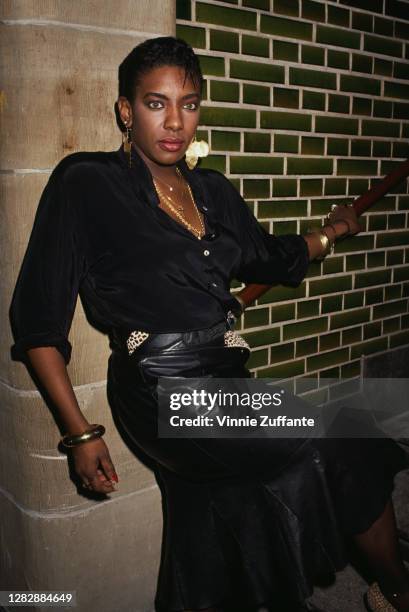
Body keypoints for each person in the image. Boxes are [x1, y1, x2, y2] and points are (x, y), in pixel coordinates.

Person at [8, 36, 409, 612]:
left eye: (189, 103)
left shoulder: (212, 190)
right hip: (160, 390)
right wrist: (81, 434)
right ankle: (394, 588)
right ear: (126, 109)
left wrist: (334, 232)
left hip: (224, 376)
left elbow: (273, 257)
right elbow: (38, 323)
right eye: (156, 103)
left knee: (317, 448)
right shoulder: (86, 183)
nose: (175, 122)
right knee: (341, 431)